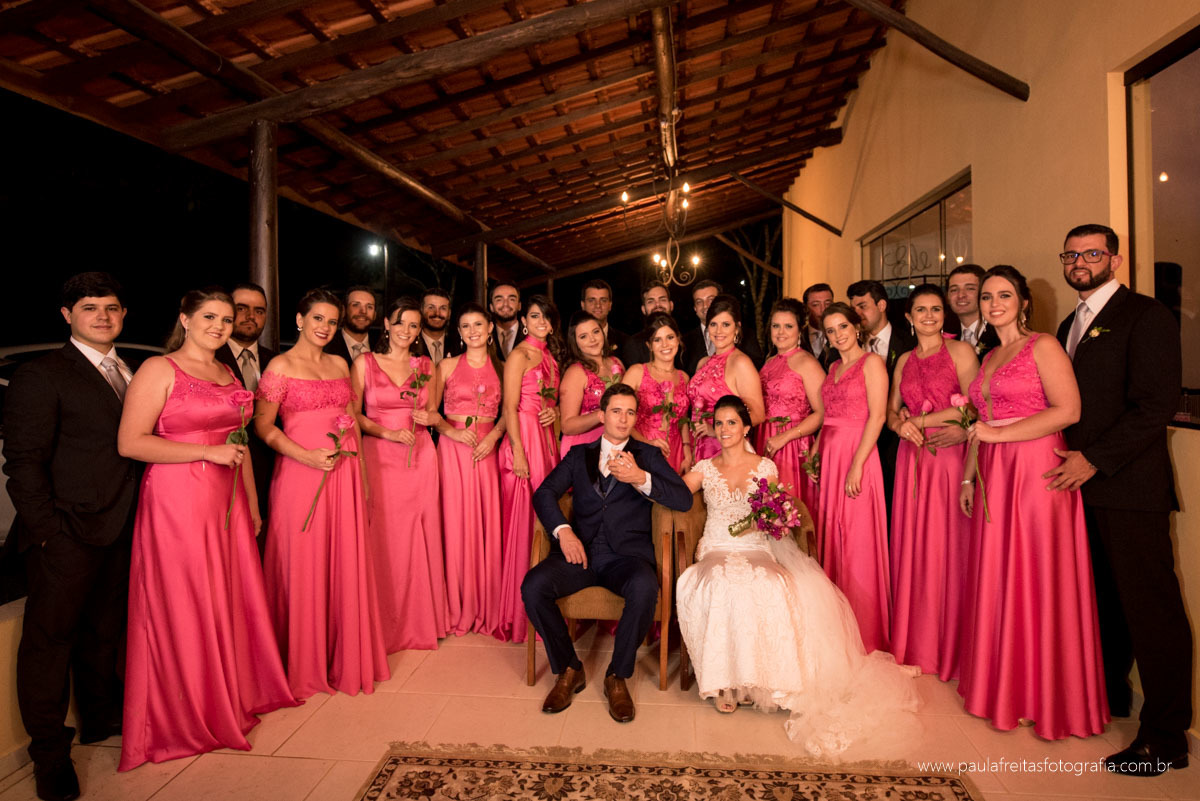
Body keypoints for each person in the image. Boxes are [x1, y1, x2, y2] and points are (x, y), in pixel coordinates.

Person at [675, 396, 919, 757]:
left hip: (757, 547)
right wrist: (644, 478)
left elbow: (773, 512)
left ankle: (765, 681)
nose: (725, 429)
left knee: (772, 584)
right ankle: (724, 684)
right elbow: (676, 490)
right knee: (721, 583)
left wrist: (771, 517)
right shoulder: (705, 467)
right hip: (716, 547)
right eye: (720, 423)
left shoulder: (765, 466)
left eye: (732, 423)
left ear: (746, 428)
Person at [116, 289, 295, 770]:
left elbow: (239, 441)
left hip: (227, 499)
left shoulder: (227, 373)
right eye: (209, 317)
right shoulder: (159, 369)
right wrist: (204, 452)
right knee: (188, 597)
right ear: (185, 319)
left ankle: (227, 693)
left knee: (225, 594)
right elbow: (131, 443)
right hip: (178, 499)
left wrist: (251, 503)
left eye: (226, 319)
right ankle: (187, 710)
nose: (219, 326)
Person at [1050, 225, 1190, 773]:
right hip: (1080, 489)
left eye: (1092, 253)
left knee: (1152, 611)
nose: (1080, 262)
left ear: (1115, 259)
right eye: (1071, 254)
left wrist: (1094, 458)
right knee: (1102, 604)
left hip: (1130, 488)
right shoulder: (1069, 324)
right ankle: (1107, 700)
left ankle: (1166, 738)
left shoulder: (1145, 315)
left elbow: (1156, 404)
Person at [4, 272, 139, 801]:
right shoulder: (42, 374)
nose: (102, 316)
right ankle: (50, 757)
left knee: (105, 631)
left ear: (123, 314)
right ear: (67, 315)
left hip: (121, 524)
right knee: (49, 642)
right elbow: (23, 464)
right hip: (66, 531)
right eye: (89, 308)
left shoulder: (128, 371)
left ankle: (100, 720)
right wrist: (48, 533)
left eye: (111, 307)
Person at [957, 265, 1107, 741]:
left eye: (1004, 295)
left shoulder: (1043, 345)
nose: (994, 303)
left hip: (1035, 468)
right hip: (994, 471)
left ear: (1023, 302)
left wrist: (997, 436)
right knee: (1002, 574)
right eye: (987, 296)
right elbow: (979, 423)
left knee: (1035, 573)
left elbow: (1068, 410)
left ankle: (1043, 695)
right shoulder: (989, 356)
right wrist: (968, 476)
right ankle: (1007, 687)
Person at [524, 384, 692, 723]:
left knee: (645, 587)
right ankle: (569, 668)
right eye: (616, 411)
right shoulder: (579, 456)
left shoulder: (648, 456)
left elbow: (683, 499)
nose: (623, 419)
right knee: (533, 586)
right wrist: (564, 531)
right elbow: (544, 493)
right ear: (602, 415)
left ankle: (617, 675)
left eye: (630, 412)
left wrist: (641, 478)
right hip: (581, 554)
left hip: (626, 558)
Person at [255, 289, 390, 699]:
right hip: (300, 474)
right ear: (299, 320)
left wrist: (362, 478)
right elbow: (263, 426)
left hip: (344, 474)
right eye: (318, 318)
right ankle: (302, 662)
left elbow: (350, 420)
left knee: (343, 560)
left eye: (332, 321)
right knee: (303, 562)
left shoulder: (338, 364)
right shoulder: (280, 366)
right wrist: (305, 456)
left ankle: (342, 656)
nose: (325, 327)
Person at [886, 285, 978, 680]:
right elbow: (890, 411)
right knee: (914, 545)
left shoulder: (961, 352)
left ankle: (949, 647)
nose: (929, 316)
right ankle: (915, 642)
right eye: (921, 310)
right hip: (911, 458)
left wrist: (919, 421)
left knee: (946, 546)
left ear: (944, 315)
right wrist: (900, 426)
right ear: (908, 317)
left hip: (948, 456)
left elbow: (975, 409)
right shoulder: (904, 360)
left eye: (936, 309)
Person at [351, 296, 447, 652]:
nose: (406, 330)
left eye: (413, 325)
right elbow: (353, 415)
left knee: (420, 534)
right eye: (400, 323)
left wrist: (430, 418)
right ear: (387, 326)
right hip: (381, 457)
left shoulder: (426, 365)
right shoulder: (364, 363)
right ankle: (386, 622)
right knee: (387, 536)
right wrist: (387, 433)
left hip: (420, 457)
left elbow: (434, 412)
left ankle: (421, 621)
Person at [814, 302, 891, 653]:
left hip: (857, 454)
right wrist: (816, 451)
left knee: (857, 541)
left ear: (856, 327)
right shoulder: (832, 368)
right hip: (831, 458)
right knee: (833, 537)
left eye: (843, 327)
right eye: (831, 331)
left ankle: (865, 632)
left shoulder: (871, 363)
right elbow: (828, 416)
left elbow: (877, 417)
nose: (838, 335)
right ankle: (837, 629)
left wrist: (858, 464)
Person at [432, 303, 508, 637]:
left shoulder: (503, 367)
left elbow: (511, 411)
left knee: (485, 520)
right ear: (459, 332)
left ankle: (487, 602)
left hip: (487, 449)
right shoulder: (446, 365)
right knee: (455, 520)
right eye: (466, 326)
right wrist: (451, 432)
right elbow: (430, 412)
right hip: (453, 449)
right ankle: (457, 601)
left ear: (490, 328)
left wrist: (493, 437)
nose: (473, 331)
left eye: (479, 324)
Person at [496, 296, 562, 642]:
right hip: (524, 439)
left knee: (546, 519)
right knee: (525, 522)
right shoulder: (519, 355)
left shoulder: (550, 357)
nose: (541, 322)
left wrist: (555, 412)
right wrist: (519, 453)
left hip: (546, 440)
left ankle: (546, 605)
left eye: (546, 317)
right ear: (524, 320)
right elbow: (509, 407)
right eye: (535, 316)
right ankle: (520, 614)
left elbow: (552, 402)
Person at [216, 282, 276, 549]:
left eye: (259, 311)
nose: (251, 316)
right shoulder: (210, 357)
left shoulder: (276, 360)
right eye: (242, 308)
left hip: (271, 474)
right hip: (223, 471)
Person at [848, 279, 915, 517]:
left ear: (882, 305)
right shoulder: (847, 345)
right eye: (853, 308)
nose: (857, 314)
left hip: (898, 440)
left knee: (896, 507)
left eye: (862, 306)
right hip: (858, 438)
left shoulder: (909, 343)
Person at [757, 298, 825, 520]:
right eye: (776, 326)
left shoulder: (807, 362)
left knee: (788, 508)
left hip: (792, 444)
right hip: (765, 439)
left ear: (800, 329)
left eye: (788, 326)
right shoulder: (769, 362)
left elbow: (822, 413)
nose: (781, 332)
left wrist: (785, 437)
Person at [686, 295, 765, 460]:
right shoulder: (703, 363)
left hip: (724, 449)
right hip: (697, 446)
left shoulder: (741, 362)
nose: (718, 331)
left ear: (737, 328)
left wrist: (716, 430)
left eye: (726, 324)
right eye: (713, 324)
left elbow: (758, 414)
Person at [623, 313, 693, 474]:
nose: (665, 344)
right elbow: (620, 415)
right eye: (657, 340)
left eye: (670, 337)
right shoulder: (637, 372)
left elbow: (683, 419)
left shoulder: (684, 377)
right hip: (643, 448)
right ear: (649, 345)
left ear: (678, 339)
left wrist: (687, 451)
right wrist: (647, 443)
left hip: (676, 451)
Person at [559, 311, 624, 456]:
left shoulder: (617, 364)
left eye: (595, 332)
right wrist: (602, 414)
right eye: (583, 336)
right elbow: (567, 426)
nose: (592, 339)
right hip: (584, 448)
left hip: (615, 445)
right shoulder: (576, 372)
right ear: (575, 342)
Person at [619, 281, 673, 366]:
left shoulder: (684, 340)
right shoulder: (633, 344)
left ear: (671, 305)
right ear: (643, 309)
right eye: (651, 301)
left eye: (662, 300)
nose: (657, 305)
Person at [326, 285, 377, 366]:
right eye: (356, 305)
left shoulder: (383, 347)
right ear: (343, 310)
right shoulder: (326, 345)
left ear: (375, 314)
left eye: (369, 307)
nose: (363, 311)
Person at [681, 280, 721, 375]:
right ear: (695, 308)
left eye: (711, 300)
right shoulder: (685, 342)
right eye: (699, 302)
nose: (705, 306)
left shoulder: (742, 334)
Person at [580, 279, 628, 356]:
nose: (598, 305)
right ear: (583, 305)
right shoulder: (570, 342)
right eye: (591, 300)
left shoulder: (625, 342)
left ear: (610, 305)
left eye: (603, 300)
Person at [946, 264, 985, 346]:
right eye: (954, 290)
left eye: (970, 288)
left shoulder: (999, 332)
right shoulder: (945, 333)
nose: (961, 295)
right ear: (947, 296)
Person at [802, 283, 836, 369]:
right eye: (815, 305)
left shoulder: (842, 336)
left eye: (827, 304)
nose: (823, 309)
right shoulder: (797, 337)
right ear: (805, 308)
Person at [420, 287, 457, 365]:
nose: (437, 313)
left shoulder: (458, 347)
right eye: (431, 307)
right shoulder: (410, 346)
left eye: (443, 308)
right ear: (421, 310)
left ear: (449, 313)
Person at [489, 282, 523, 359]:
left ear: (519, 305)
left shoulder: (531, 334)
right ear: (491, 307)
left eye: (511, 299)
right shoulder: (483, 336)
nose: (505, 304)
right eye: (499, 300)